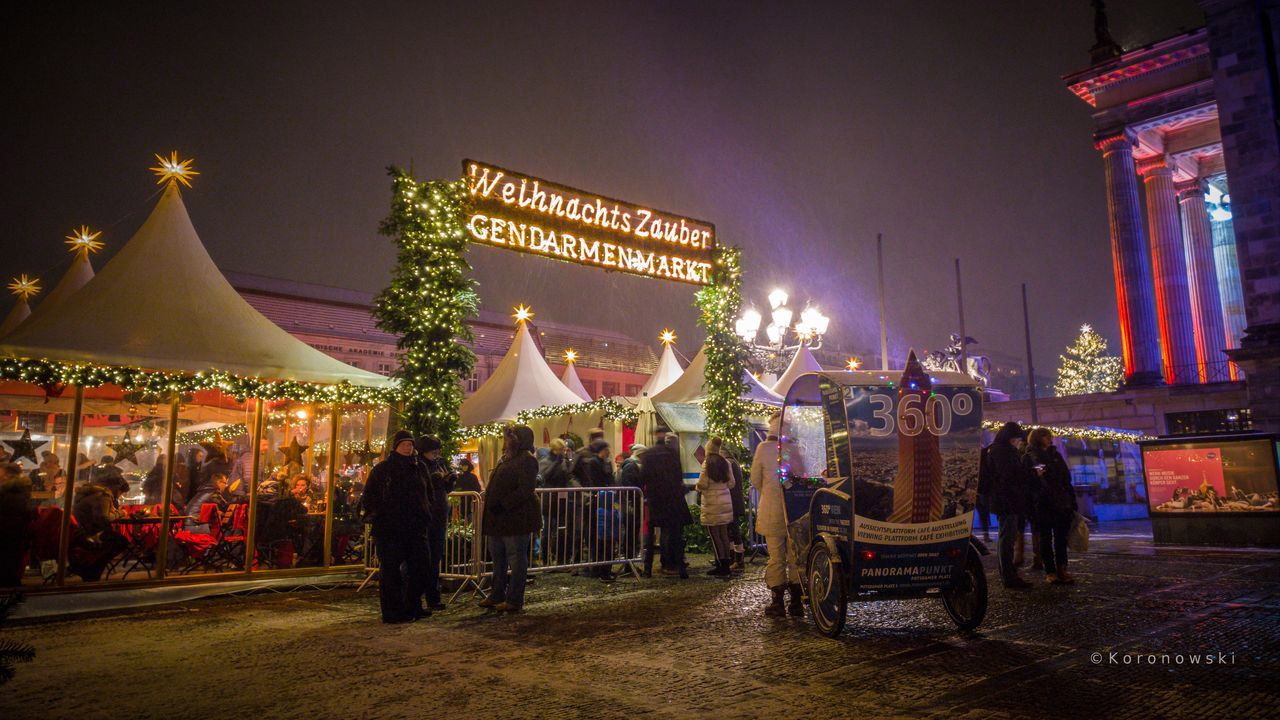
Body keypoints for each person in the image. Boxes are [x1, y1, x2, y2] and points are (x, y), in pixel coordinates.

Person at [362, 430, 432, 624]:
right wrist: (381, 514)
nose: (408, 448)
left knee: (420, 568)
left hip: (415, 526)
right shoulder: (383, 470)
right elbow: (371, 496)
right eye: (404, 444)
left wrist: (426, 513)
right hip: (390, 528)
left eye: (410, 444)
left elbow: (428, 493)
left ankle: (412, 606)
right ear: (396, 447)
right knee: (391, 570)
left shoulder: (420, 468)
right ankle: (393, 611)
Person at [480, 425, 540, 613]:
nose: (505, 442)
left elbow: (525, 489)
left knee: (516, 559)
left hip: (515, 518)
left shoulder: (527, 460)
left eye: (508, 438)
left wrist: (503, 504)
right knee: (498, 558)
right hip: (498, 519)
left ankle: (514, 599)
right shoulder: (507, 458)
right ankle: (497, 593)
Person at [752, 412, 803, 616]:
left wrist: (769, 492)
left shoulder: (763, 449)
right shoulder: (794, 449)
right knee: (795, 557)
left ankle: (778, 602)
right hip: (794, 512)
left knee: (775, 557)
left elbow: (755, 480)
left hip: (771, 511)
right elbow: (802, 476)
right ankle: (797, 601)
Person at [1024, 428, 1078, 585]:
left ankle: (1062, 568)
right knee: (1045, 538)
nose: (1048, 438)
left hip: (1060, 502)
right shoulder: (1030, 457)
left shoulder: (1055, 455)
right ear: (1037, 438)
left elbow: (1065, 478)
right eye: (1044, 436)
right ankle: (1050, 571)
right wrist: (1036, 476)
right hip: (1042, 502)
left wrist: (1071, 500)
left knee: (1061, 538)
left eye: (1049, 436)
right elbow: (1026, 483)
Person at [987, 421, 1034, 589]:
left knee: (1007, 537)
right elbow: (1008, 475)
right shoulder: (1002, 452)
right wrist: (1028, 472)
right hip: (1007, 500)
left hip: (1007, 500)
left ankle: (1008, 574)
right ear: (1009, 438)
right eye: (1016, 439)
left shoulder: (1000, 450)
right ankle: (1008, 575)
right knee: (1007, 538)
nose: (1018, 442)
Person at [639, 433, 692, 578]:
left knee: (651, 536)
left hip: (656, 500)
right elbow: (678, 476)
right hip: (673, 500)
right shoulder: (672, 454)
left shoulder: (649, 454)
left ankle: (647, 569)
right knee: (676, 534)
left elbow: (642, 477)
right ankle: (681, 568)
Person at [416, 434, 455, 611]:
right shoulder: (418, 466)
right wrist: (435, 480)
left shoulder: (438, 464)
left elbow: (442, 489)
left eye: (437, 451)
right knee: (421, 559)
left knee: (435, 559)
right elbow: (419, 488)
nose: (436, 454)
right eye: (433, 451)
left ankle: (433, 596)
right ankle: (415, 597)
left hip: (439, 516)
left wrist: (449, 482)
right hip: (426, 517)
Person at [697, 437, 736, 578]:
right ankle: (727, 563)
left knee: (715, 536)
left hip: (711, 504)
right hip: (725, 503)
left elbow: (703, 484)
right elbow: (732, 483)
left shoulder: (707, 463)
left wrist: (697, 487)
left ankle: (721, 564)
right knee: (724, 534)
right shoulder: (726, 462)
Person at [721, 444, 746, 573]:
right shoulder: (734, 462)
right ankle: (735, 558)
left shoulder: (728, 463)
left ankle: (737, 559)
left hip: (731, 501)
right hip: (736, 501)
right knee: (732, 529)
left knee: (733, 530)